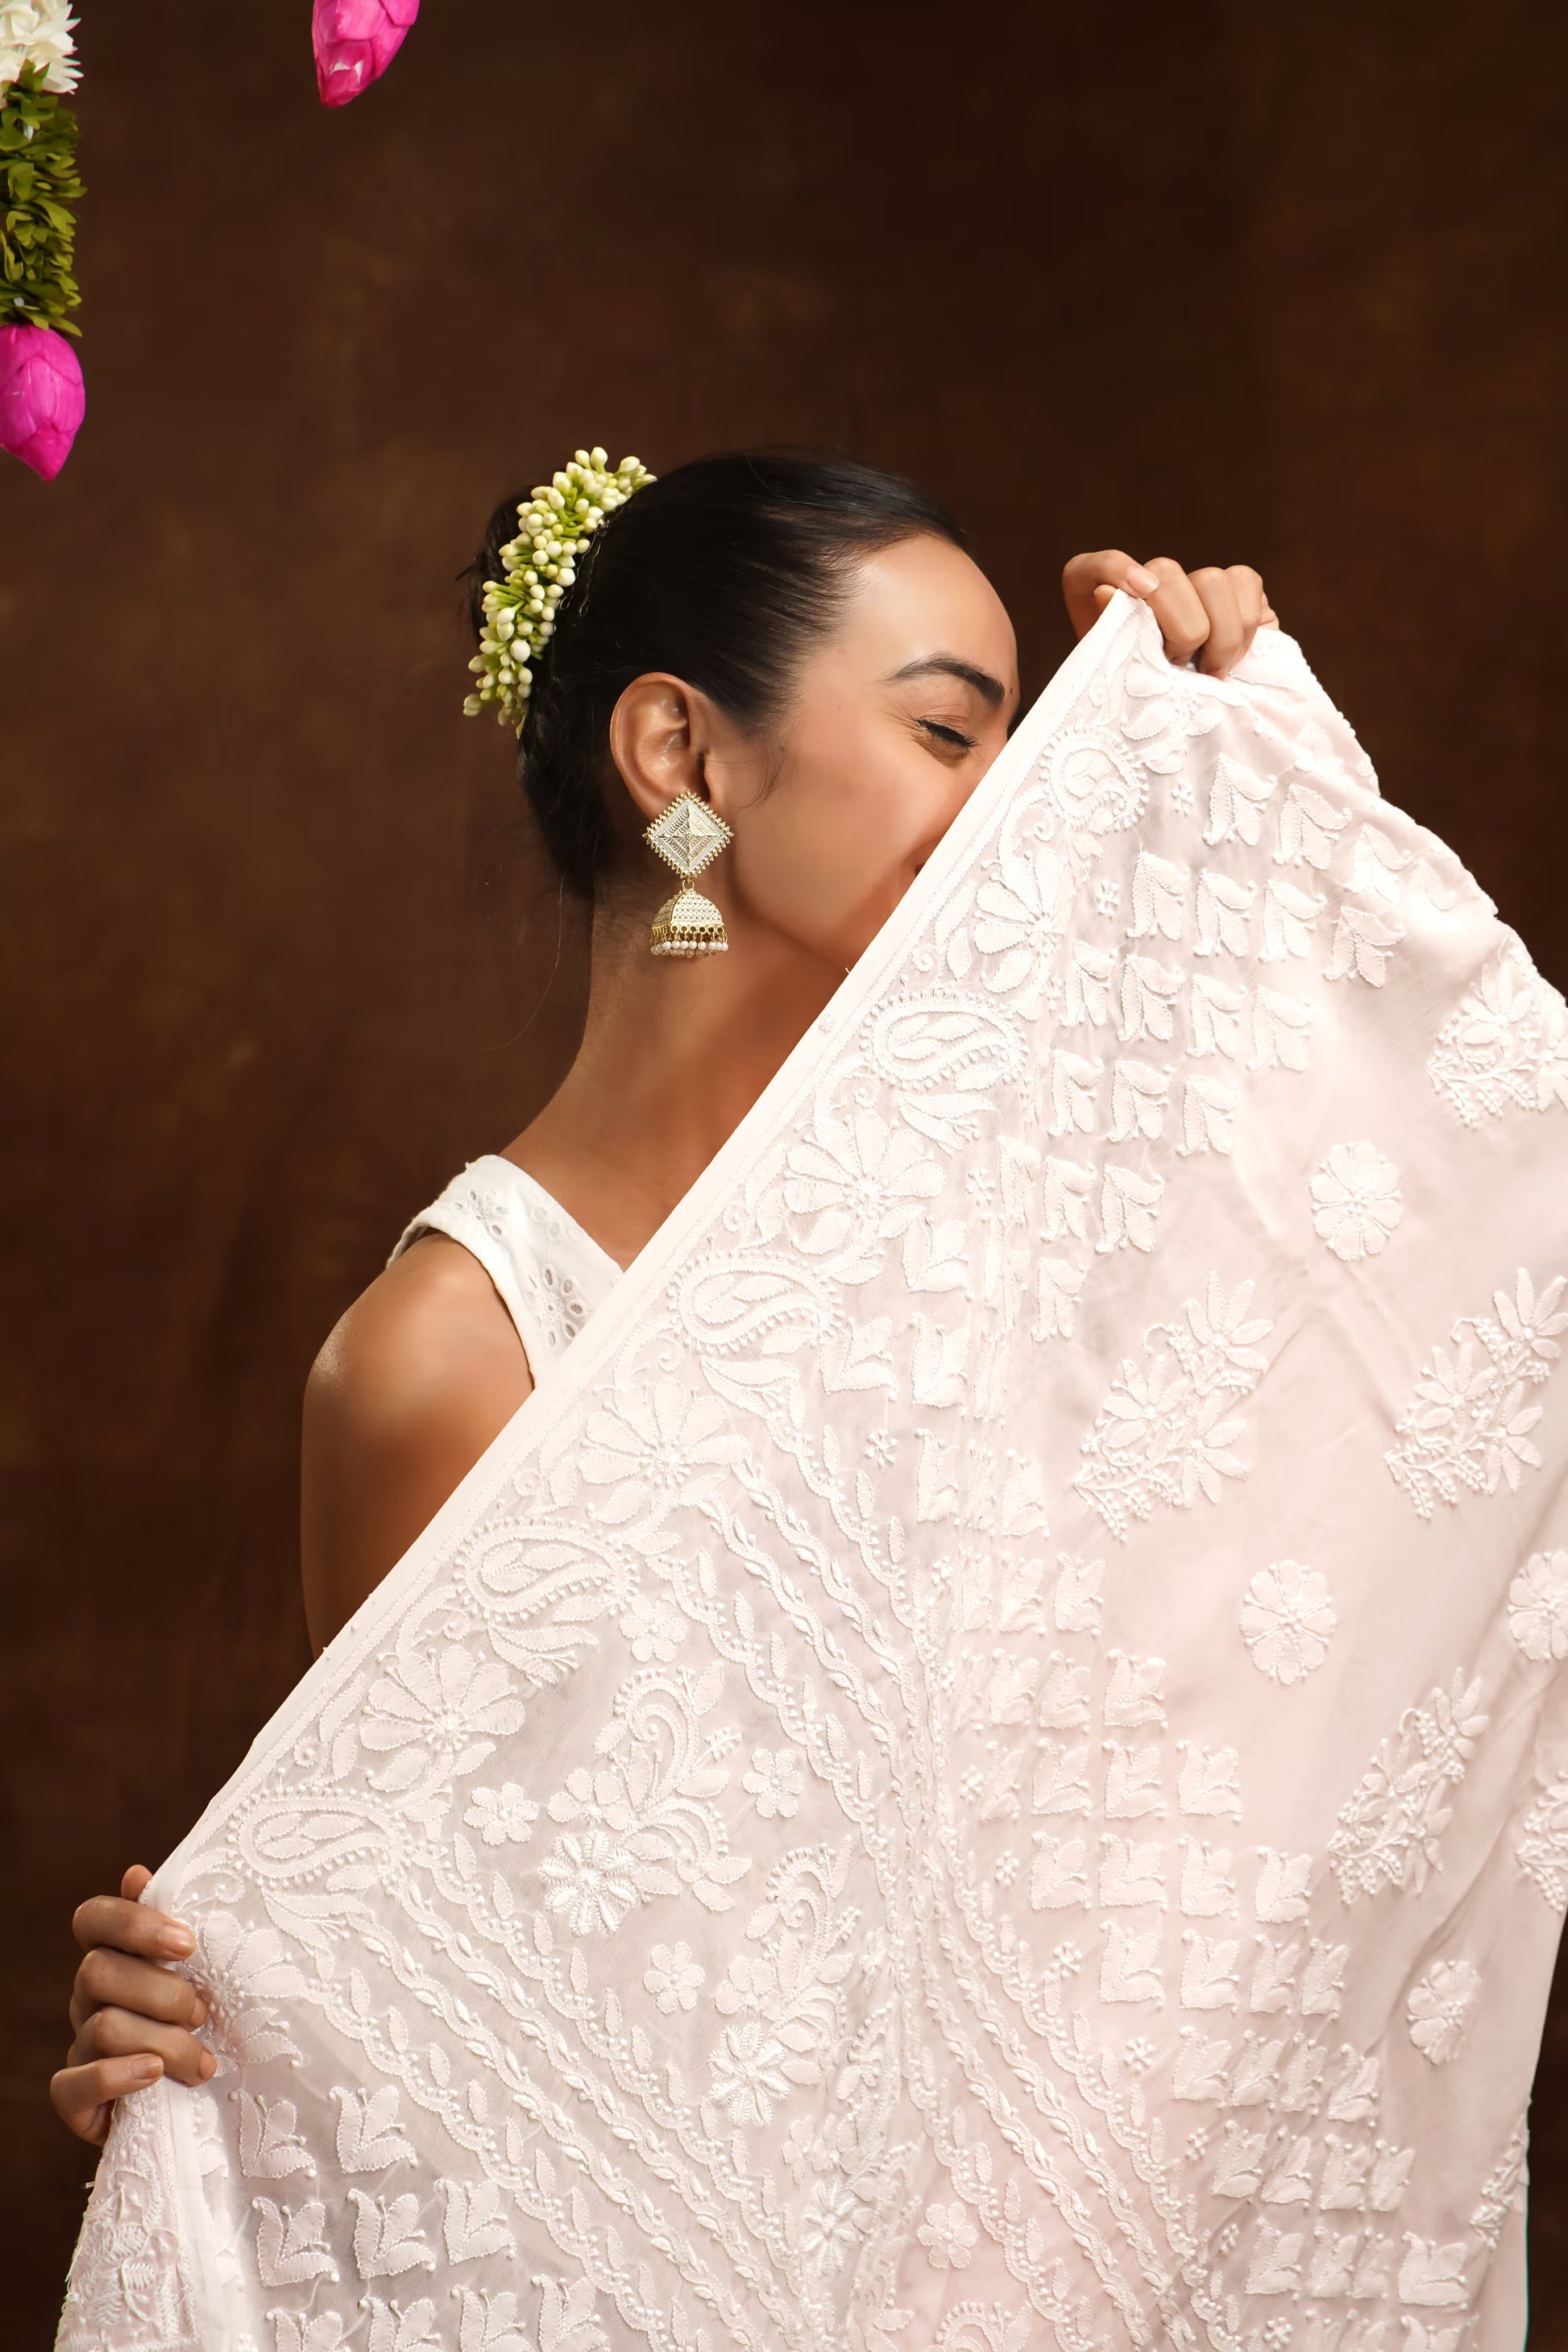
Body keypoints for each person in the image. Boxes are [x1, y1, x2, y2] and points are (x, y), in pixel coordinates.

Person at [49, 448, 1276, 2151]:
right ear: (681, 756)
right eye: (948, 730)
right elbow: (451, 2033)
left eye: (1022, 747)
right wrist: (216, 2049)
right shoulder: (451, 1368)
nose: (1008, 806)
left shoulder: (1026, 1236)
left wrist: (1232, 744)